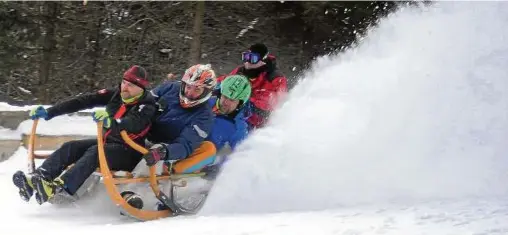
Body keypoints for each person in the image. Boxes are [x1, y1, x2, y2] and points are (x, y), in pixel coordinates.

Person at [12, 65, 157, 205]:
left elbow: (133, 123)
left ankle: (63, 187)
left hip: (130, 153)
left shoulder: (147, 105)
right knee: (72, 146)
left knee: (95, 152)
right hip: (108, 143)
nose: (124, 87)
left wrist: (110, 121)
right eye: (124, 82)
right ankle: (39, 178)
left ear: (141, 88)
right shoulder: (117, 94)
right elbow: (84, 101)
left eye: (130, 85)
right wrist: (51, 111)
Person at [217, 43, 288, 130]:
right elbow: (226, 82)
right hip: (233, 113)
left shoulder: (275, 78)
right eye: (246, 57)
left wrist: (245, 100)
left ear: (263, 60)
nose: (247, 62)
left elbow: (273, 106)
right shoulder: (240, 71)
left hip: (257, 125)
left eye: (253, 58)